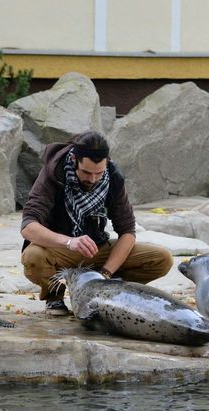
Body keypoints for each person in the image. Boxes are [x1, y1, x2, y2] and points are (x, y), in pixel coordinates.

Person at [20, 130, 174, 315]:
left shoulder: (113, 176)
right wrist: (69, 242)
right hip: (62, 250)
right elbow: (28, 227)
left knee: (161, 258)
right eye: (86, 172)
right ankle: (55, 298)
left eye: (98, 173)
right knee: (33, 257)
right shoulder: (53, 173)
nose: (92, 179)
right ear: (75, 160)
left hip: (96, 249)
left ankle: (107, 292)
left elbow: (127, 231)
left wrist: (105, 274)